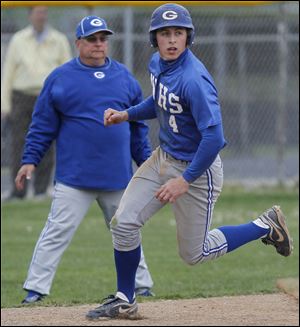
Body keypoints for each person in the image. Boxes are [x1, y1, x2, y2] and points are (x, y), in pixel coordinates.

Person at [85, 3, 293, 320]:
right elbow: (161, 102)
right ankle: (125, 299)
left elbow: (214, 138)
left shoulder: (194, 79)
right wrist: (127, 114)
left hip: (199, 170)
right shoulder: (158, 63)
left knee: (194, 254)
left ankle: (264, 225)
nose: (171, 39)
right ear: (155, 39)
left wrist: (184, 181)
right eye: (165, 33)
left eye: (178, 33)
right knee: (123, 222)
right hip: (162, 158)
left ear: (188, 37)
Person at [15, 15, 155, 304]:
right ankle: (35, 289)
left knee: (126, 230)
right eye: (92, 39)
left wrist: (145, 162)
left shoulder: (124, 77)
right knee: (56, 231)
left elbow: (137, 127)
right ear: (78, 43)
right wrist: (30, 159)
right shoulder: (60, 78)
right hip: (74, 178)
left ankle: (142, 284)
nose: (99, 44)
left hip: (116, 177)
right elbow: (42, 125)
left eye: (103, 38)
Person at [1, 6, 72, 200]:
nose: (41, 16)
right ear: (30, 15)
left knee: (47, 144)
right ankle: (18, 191)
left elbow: (67, 72)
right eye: (37, 12)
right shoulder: (18, 39)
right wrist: (4, 104)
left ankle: (41, 190)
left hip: (48, 96)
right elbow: (8, 72)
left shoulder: (58, 40)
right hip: (21, 96)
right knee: (19, 144)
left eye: (44, 12)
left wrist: (65, 102)